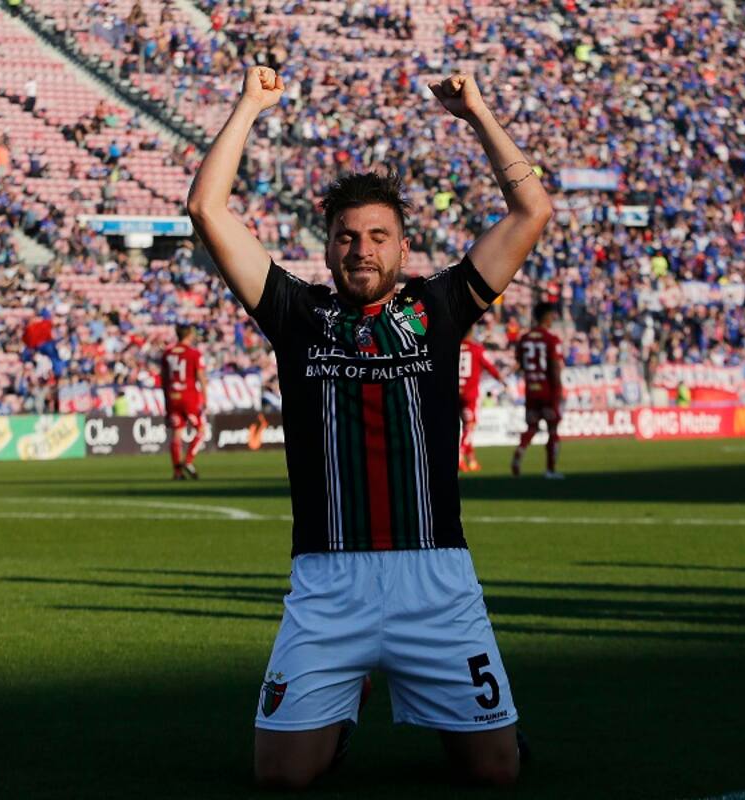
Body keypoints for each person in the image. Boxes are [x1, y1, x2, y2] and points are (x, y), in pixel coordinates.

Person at [187, 66, 552, 789]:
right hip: (328, 579)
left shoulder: (439, 307)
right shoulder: (297, 314)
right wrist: (250, 106)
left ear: (402, 249)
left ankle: (459, 720)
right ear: (326, 249)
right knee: (282, 777)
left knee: (496, 773)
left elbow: (531, 211)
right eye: (346, 237)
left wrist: (476, 112)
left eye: (378, 236)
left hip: (435, 575)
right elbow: (206, 208)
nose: (362, 249)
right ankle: (342, 705)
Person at [511, 301, 564, 479]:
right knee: (553, 429)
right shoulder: (551, 339)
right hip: (548, 390)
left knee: (532, 426)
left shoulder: (524, 338)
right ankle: (550, 470)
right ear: (547, 317)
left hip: (531, 390)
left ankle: (519, 452)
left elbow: (520, 364)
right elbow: (555, 367)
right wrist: (559, 390)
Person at [161, 324, 207, 479]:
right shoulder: (194, 353)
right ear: (189, 335)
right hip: (189, 398)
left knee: (176, 435)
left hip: (172, 397)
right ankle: (187, 461)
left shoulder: (167, 353)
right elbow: (201, 377)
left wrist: (167, 399)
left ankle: (177, 472)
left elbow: (163, 379)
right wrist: (205, 398)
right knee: (201, 430)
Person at [458, 334, 503, 472]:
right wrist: (500, 378)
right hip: (469, 395)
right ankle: (458, 457)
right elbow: (489, 366)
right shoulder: (477, 349)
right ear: (471, 333)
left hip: (453, 392)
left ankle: (471, 461)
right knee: (470, 427)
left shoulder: (452, 346)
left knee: (466, 427)